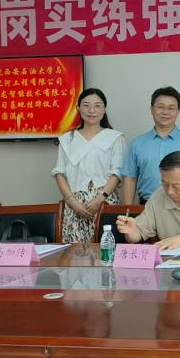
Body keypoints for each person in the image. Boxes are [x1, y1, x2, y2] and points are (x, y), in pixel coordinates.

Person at [52, 88, 124, 243]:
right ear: (78, 108)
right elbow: (59, 173)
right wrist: (72, 202)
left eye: (97, 105)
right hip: (74, 204)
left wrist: (100, 199)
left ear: (104, 109)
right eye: (86, 105)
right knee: (75, 252)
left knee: (106, 248)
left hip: (105, 202)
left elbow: (117, 172)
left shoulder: (115, 137)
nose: (92, 110)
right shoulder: (67, 139)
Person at [121, 86, 180, 204]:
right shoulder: (137, 143)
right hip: (147, 204)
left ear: (178, 111)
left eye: (171, 108)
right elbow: (130, 179)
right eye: (161, 107)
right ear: (151, 109)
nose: (165, 112)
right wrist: (127, 210)